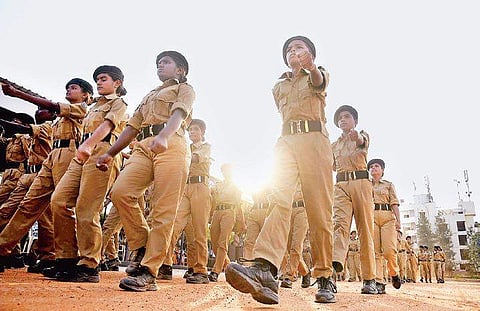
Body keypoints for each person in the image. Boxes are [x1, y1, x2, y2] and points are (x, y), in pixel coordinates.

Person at [225, 35, 336, 304]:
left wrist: (310, 68)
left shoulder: (318, 74)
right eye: (289, 49)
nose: (293, 51)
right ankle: (266, 269)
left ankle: (325, 276)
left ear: (311, 54)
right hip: (286, 142)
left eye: (299, 47)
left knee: (319, 210)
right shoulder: (278, 86)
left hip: (315, 140)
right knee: (279, 201)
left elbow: (319, 83)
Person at [96, 51, 194, 292]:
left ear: (180, 70)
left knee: (163, 209)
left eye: (166, 62)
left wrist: (164, 136)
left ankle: (149, 271)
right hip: (144, 146)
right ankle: (141, 245)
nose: (160, 65)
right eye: (158, 63)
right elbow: (132, 126)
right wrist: (111, 153)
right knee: (120, 192)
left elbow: (179, 114)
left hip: (171, 143)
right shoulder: (149, 95)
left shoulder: (185, 89)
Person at [0, 78, 92, 273]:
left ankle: (65, 257)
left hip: (69, 155)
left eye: (74, 88)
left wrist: (17, 93)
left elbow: (50, 105)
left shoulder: (82, 109)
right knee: (28, 204)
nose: (68, 89)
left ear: (86, 95)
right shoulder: (59, 118)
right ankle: (2, 249)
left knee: (61, 206)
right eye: (67, 87)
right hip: (52, 157)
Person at [49, 66, 128, 282]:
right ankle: (65, 259)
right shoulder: (93, 106)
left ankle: (89, 264)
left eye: (103, 79)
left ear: (117, 83)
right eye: (97, 80)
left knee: (87, 208)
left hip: (101, 152)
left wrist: (88, 145)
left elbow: (107, 126)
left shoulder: (119, 103)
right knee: (59, 201)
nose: (99, 82)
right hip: (82, 154)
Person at [331, 104, 377, 295]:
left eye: (347, 116)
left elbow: (361, 141)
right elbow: (331, 166)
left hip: (360, 183)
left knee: (364, 229)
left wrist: (355, 135)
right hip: (340, 185)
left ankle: (369, 279)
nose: (343, 119)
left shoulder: (361, 135)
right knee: (339, 225)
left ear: (355, 121)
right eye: (340, 118)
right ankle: (335, 264)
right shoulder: (333, 145)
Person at [0, 110, 53, 271]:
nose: (39, 110)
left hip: (42, 174)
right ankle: (7, 251)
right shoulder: (26, 136)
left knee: (45, 220)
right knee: (7, 210)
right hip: (28, 175)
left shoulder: (46, 128)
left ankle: (49, 256)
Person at [161, 118, 212, 284]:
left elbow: (195, 159)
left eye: (196, 130)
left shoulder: (205, 147)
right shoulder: (185, 147)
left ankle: (200, 270)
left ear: (202, 132)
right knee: (173, 224)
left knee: (199, 229)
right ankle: (166, 264)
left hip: (200, 187)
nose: (192, 133)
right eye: (190, 130)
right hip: (185, 188)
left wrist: (178, 157)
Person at [368, 158, 402, 294]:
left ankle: (394, 273)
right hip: (372, 218)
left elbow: (394, 203)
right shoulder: (366, 184)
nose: (373, 168)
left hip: (388, 217)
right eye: (371, 167)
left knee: (389, 251)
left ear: (382, 170)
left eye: (376, 166)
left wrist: (398, 221)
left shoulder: (388, 185)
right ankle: (379, 282)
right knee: (375, 252)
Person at [208, 163, 245, 282]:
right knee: (214, 242)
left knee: (222, 242)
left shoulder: (236, 186)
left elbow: (239, 205)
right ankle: (230, 267)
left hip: (229, 212)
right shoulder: (218, 185)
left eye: (228, 170)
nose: (225, 172)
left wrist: (242, 221)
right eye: (223, 170)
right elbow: (213, 200)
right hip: (217, 211)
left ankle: (216, 271)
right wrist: (210, 214)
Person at [279, 188, 311, 289]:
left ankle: (289, 275)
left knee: (296, 245)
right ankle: (305, 272)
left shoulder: (308, 175)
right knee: (289, 248)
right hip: (288, 210)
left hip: (303, 209)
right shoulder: (288, 174)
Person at [243, 187, 271, 261]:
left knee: (268, 241)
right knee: (249, 241)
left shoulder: (273, 180)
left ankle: (274, 267)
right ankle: (248, 265)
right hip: (254, 210)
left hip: (268, 210)